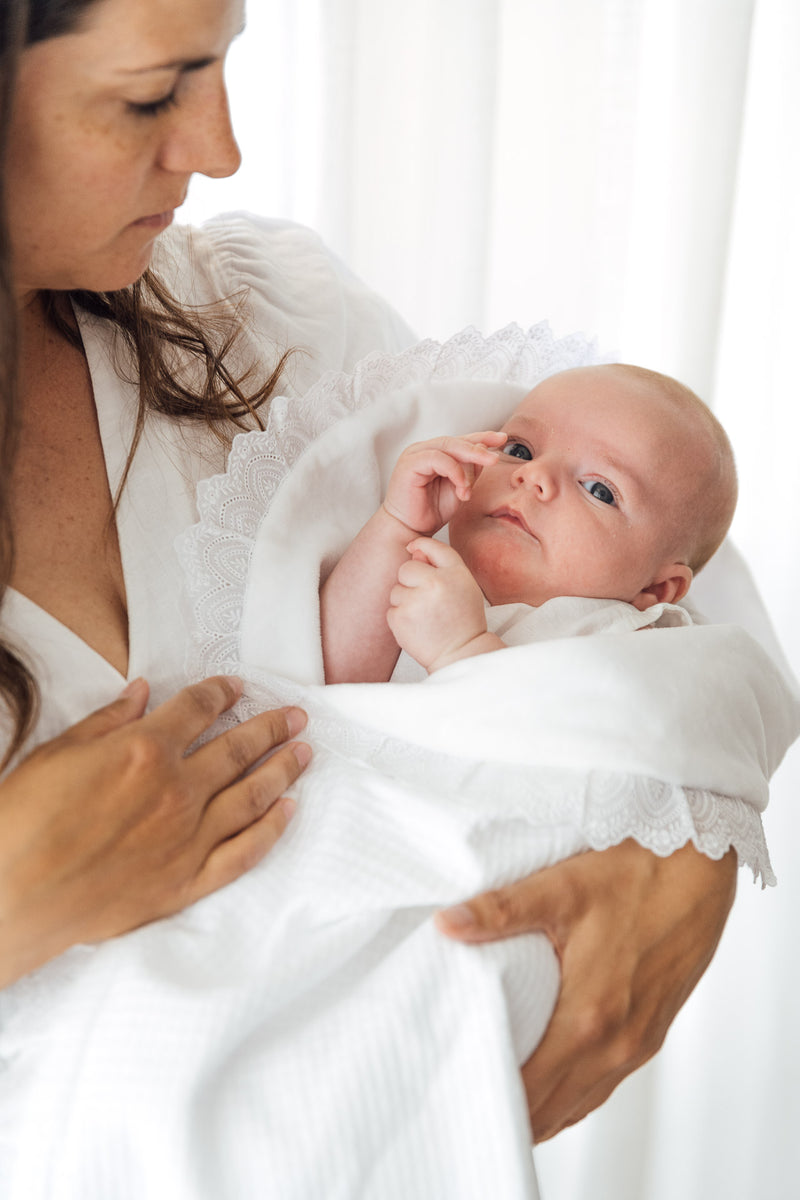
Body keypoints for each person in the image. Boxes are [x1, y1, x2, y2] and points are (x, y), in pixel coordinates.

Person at [0, 0, 752, 1157]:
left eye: (227, 64)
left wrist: (680, 859)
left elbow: (672, 561)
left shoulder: (261, 320)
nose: (220, 145)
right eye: (151, 92)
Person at [321, 362, 737, 682]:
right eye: (520, 450)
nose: (533, 475)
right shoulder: (428, 568)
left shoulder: (623, 643)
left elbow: (558, 761)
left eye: (599, 490)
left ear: (655, 588)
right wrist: (399, 525)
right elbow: (330, 678)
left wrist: (462, 652)